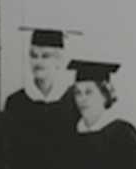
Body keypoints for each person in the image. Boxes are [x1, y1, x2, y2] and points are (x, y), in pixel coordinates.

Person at [6, 28, 81, 169]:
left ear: (59, 61)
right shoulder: (16, 103)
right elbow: (11, 154)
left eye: (45, 56)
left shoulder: (74, 100)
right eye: (33, 55)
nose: (38, 62)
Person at [65, 60, 136, 169]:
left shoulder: (121, 133)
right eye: (78, 93)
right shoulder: (73, 135)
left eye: (88, 92)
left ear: (104, 95)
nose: (82, 99)